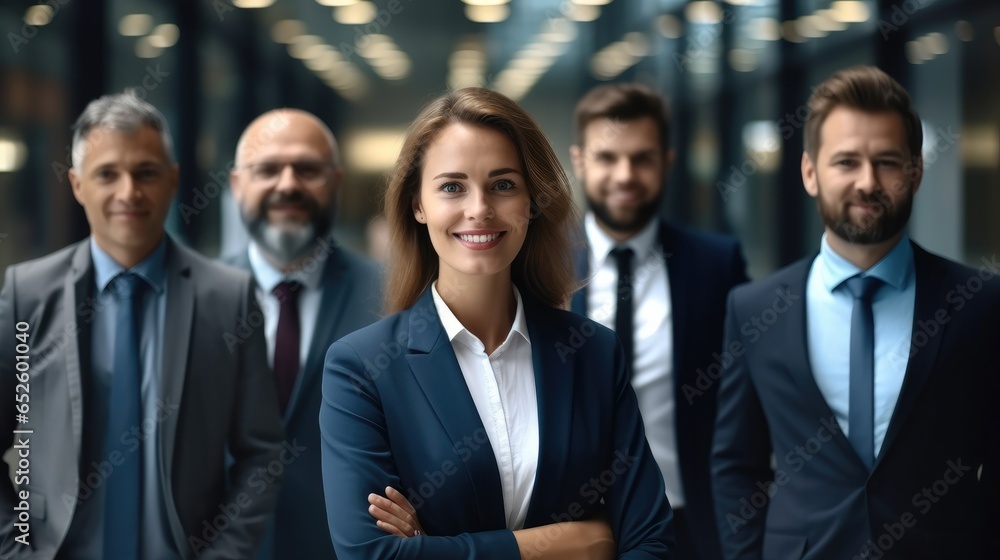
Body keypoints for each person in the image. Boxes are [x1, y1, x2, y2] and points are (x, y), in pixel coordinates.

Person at [319, 87, 675, 559]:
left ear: (532, 201)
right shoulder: (361, 369)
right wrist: (577, 541)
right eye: (452, 186)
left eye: (503, 184)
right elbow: (370, 554)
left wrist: (436, 549)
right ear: (417, 206)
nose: (480, 208)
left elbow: (650, 540)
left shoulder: (593, 353)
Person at [711, 65, 1000, 559]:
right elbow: (737, 463)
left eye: (887, 161)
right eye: (846, 161)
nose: (868, 182)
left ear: (916, 172)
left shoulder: (977, 303)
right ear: (809, 173)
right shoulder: (755, 308)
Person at [0, 91, 285, 559]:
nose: (128, 192)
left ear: (172, 181)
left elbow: (262, 452)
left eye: (146, 173)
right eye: (107, 174)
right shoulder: (28, 294)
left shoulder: (227, 297)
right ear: (76, 184)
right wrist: (18, 550)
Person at [569, 83, 747, 560]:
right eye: (607, 157)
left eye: (642, 158)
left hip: (691, 525)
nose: (625, 175)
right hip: (574, 529)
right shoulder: (537, 269)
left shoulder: (717, 264)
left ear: (666, 162)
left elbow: (744, 407)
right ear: (580, 160)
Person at [226, 108, 382, 559]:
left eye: (307, 170)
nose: (288, 184)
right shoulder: (192, 299)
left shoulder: (397, 299)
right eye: (268, 169)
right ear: (237, 185)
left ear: (336, 181)